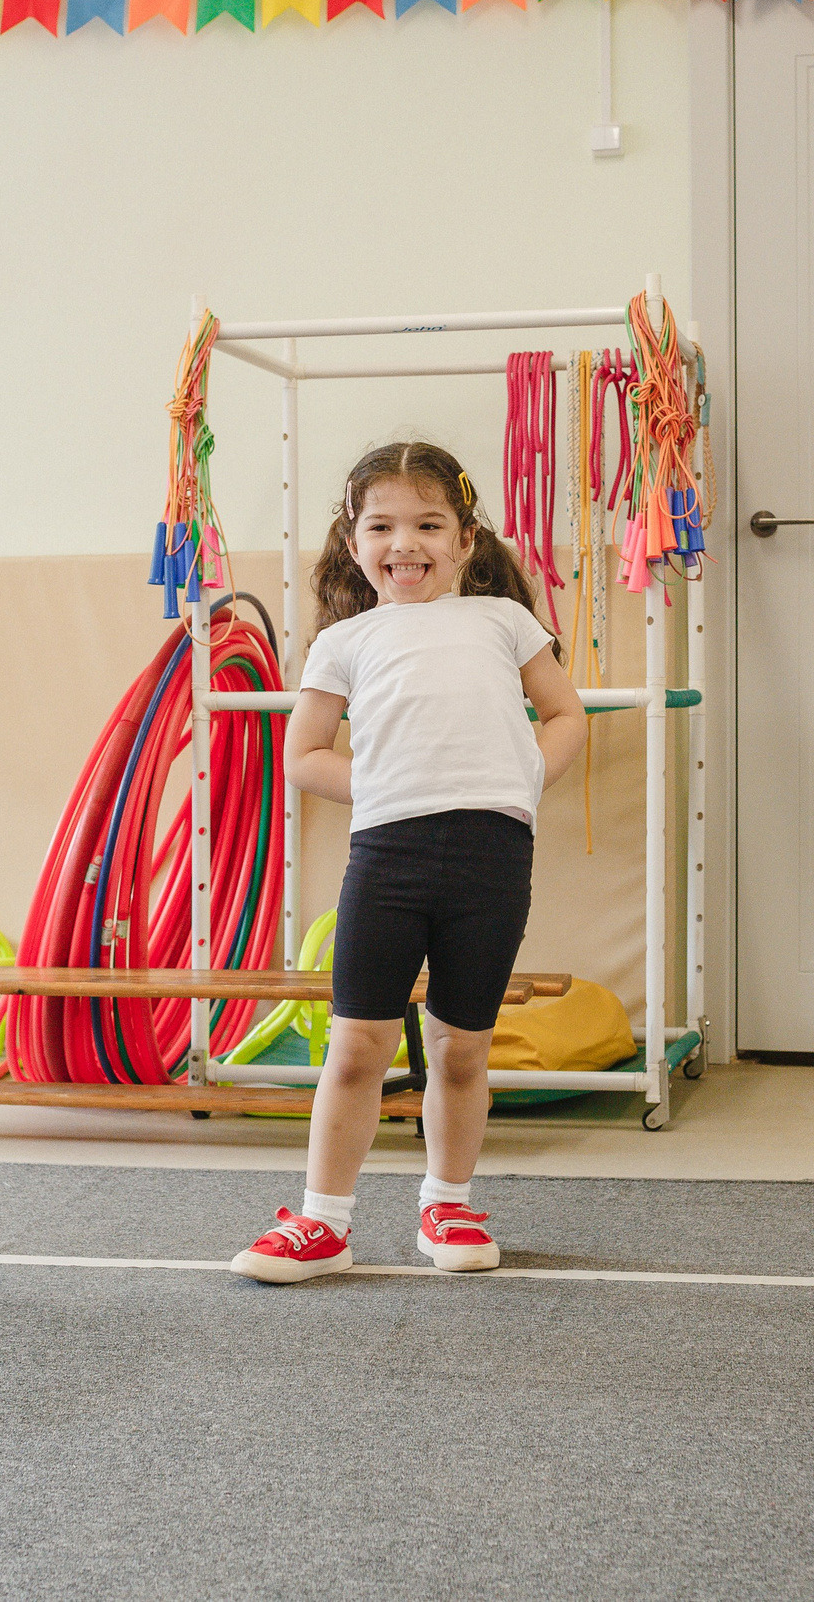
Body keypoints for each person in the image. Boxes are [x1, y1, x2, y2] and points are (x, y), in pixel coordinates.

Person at [230, 441, 587, 1284]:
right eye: (382, 525)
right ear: (354, 542)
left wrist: (529, 771)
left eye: (429, 523)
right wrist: (384, 781)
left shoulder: (503, 622)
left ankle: (449, 1200)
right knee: (357, 1045)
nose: (406, 543)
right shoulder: (346, 641)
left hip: (492, 857)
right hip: (388, 857)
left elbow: (566, 713)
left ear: (466, 538)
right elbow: (306, 754)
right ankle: (323, 1221)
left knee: (462, 1049)